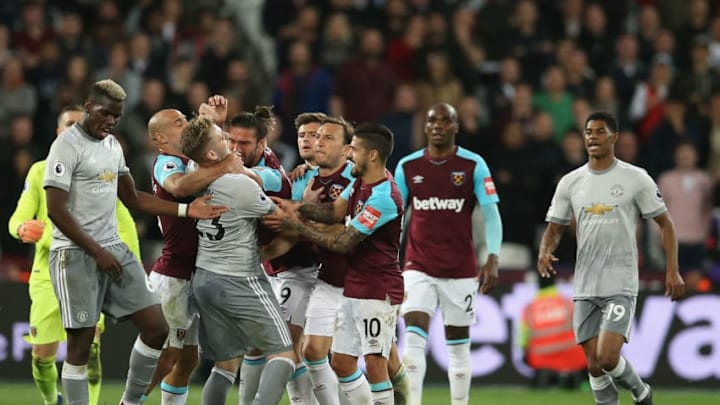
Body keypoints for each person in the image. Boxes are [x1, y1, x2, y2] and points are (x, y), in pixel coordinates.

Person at [42, 79, 227, 405]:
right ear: (88, 106)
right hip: (74, 253)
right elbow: (56, 210)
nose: (111, 121)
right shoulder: (65, 147)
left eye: (116, 116)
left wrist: (187, 210)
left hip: (112, 248)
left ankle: (129, 402)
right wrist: (95, 251)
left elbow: (134, 198)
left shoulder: (112, 145)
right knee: (81, 344)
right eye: (105, 113)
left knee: (157, 329)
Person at [537, 111, 686, 405]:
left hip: (620, 280)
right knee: (593, 364)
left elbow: (665, 224)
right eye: (589, 132)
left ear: (614, 137)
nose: (593, 137)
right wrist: (545, 250)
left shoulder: (635, 178)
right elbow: (555, 227)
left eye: (600, 131)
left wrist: (673, 269)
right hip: (585, 283)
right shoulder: (571, 182)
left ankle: (641, 392)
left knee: (607, 356)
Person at [8, 105, 141, 405]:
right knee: (42, 357)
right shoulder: (40, 171)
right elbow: (17, 219)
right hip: (47, 276)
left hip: (89, 275)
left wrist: (132, 268)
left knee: (90, 348)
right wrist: (21, 229)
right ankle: (51, 400)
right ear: (58, 133)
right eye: (68, 124)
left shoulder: (104, 173)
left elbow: (125, 223)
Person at [264, 123, 405, 405]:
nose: (349, 153)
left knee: (376, 363)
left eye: (355, 149)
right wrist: (297, 206)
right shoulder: (360, 182)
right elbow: (332, 212)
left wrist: (296, 225)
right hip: (353, 285)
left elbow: (343, 242)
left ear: (373, 155)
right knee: (341, 362)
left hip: (378, 287)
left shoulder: (383, 197)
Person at [179, 116, 296, 405]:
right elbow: (282, 217)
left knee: (225, 366)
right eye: (223, 140)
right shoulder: (240, 187)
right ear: (211, 153)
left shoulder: (193, 173)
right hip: (239, 278)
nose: (231, 145)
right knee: (284, 355)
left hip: (204, 279)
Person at [393, 103, 502, 405]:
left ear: (456, 127)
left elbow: (491, 213)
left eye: (446, 120)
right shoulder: (408, 167)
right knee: (413, 340)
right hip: (418, 265)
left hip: (460, 269)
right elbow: (395, 217)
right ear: (425, 127)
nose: (438, 125)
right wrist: (389, 259)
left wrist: (492, 256)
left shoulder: (473, 165)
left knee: (458, 347)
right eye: (432, 121)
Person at [143, 103, 247, 405]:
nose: (185, 123)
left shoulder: (194, 161)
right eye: (178, 123)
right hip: (175, 274)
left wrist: (214, 124)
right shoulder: (167, 162)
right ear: (161, 139)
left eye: (185, 119)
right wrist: (224, 166)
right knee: (168, 356)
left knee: (188, 359)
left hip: (200, 273)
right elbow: (178, 187)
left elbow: (219, 153)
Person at [227, 108, 318, 405]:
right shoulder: (279, 167)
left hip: (297, 270)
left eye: (244, 144)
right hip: (270, 270)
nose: (236, 150)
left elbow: (237, 173)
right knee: (256, 346)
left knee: (287, 346)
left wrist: (261, 254)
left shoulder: (271, 176)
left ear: (262, 144)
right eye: (232, 142)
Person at [518, 276, 587, 390]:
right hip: (572, 356)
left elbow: (523, 339)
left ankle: (539, 384)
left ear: (538, 286)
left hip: (542, 358)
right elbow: (583, 329)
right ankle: (585, 385)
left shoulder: (530, 308)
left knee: (527, 357)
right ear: (555, 284)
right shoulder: (567, 303)